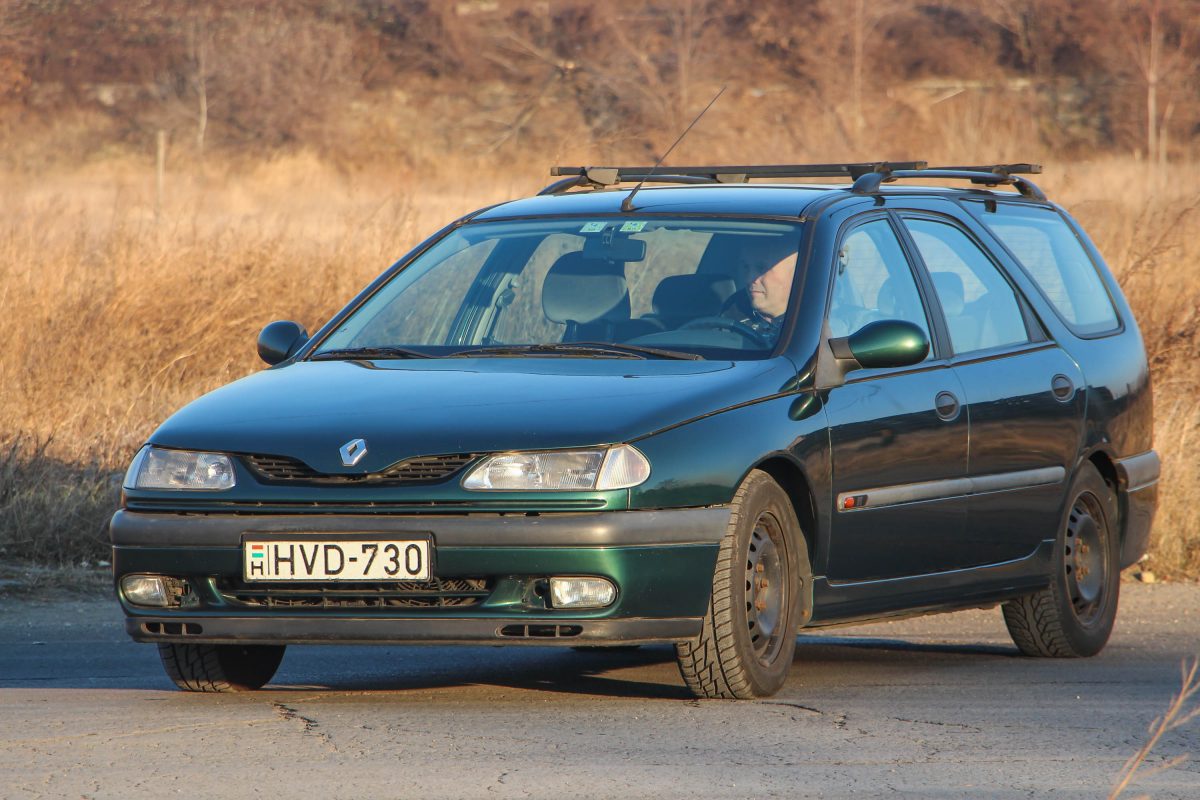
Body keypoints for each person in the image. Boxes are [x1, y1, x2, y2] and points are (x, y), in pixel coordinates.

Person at [736, 251, 797, 344]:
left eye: (761, 268)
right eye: (746, 267)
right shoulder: (730, 314)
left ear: (796, 274)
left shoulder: (813, 329)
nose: (749, 279)